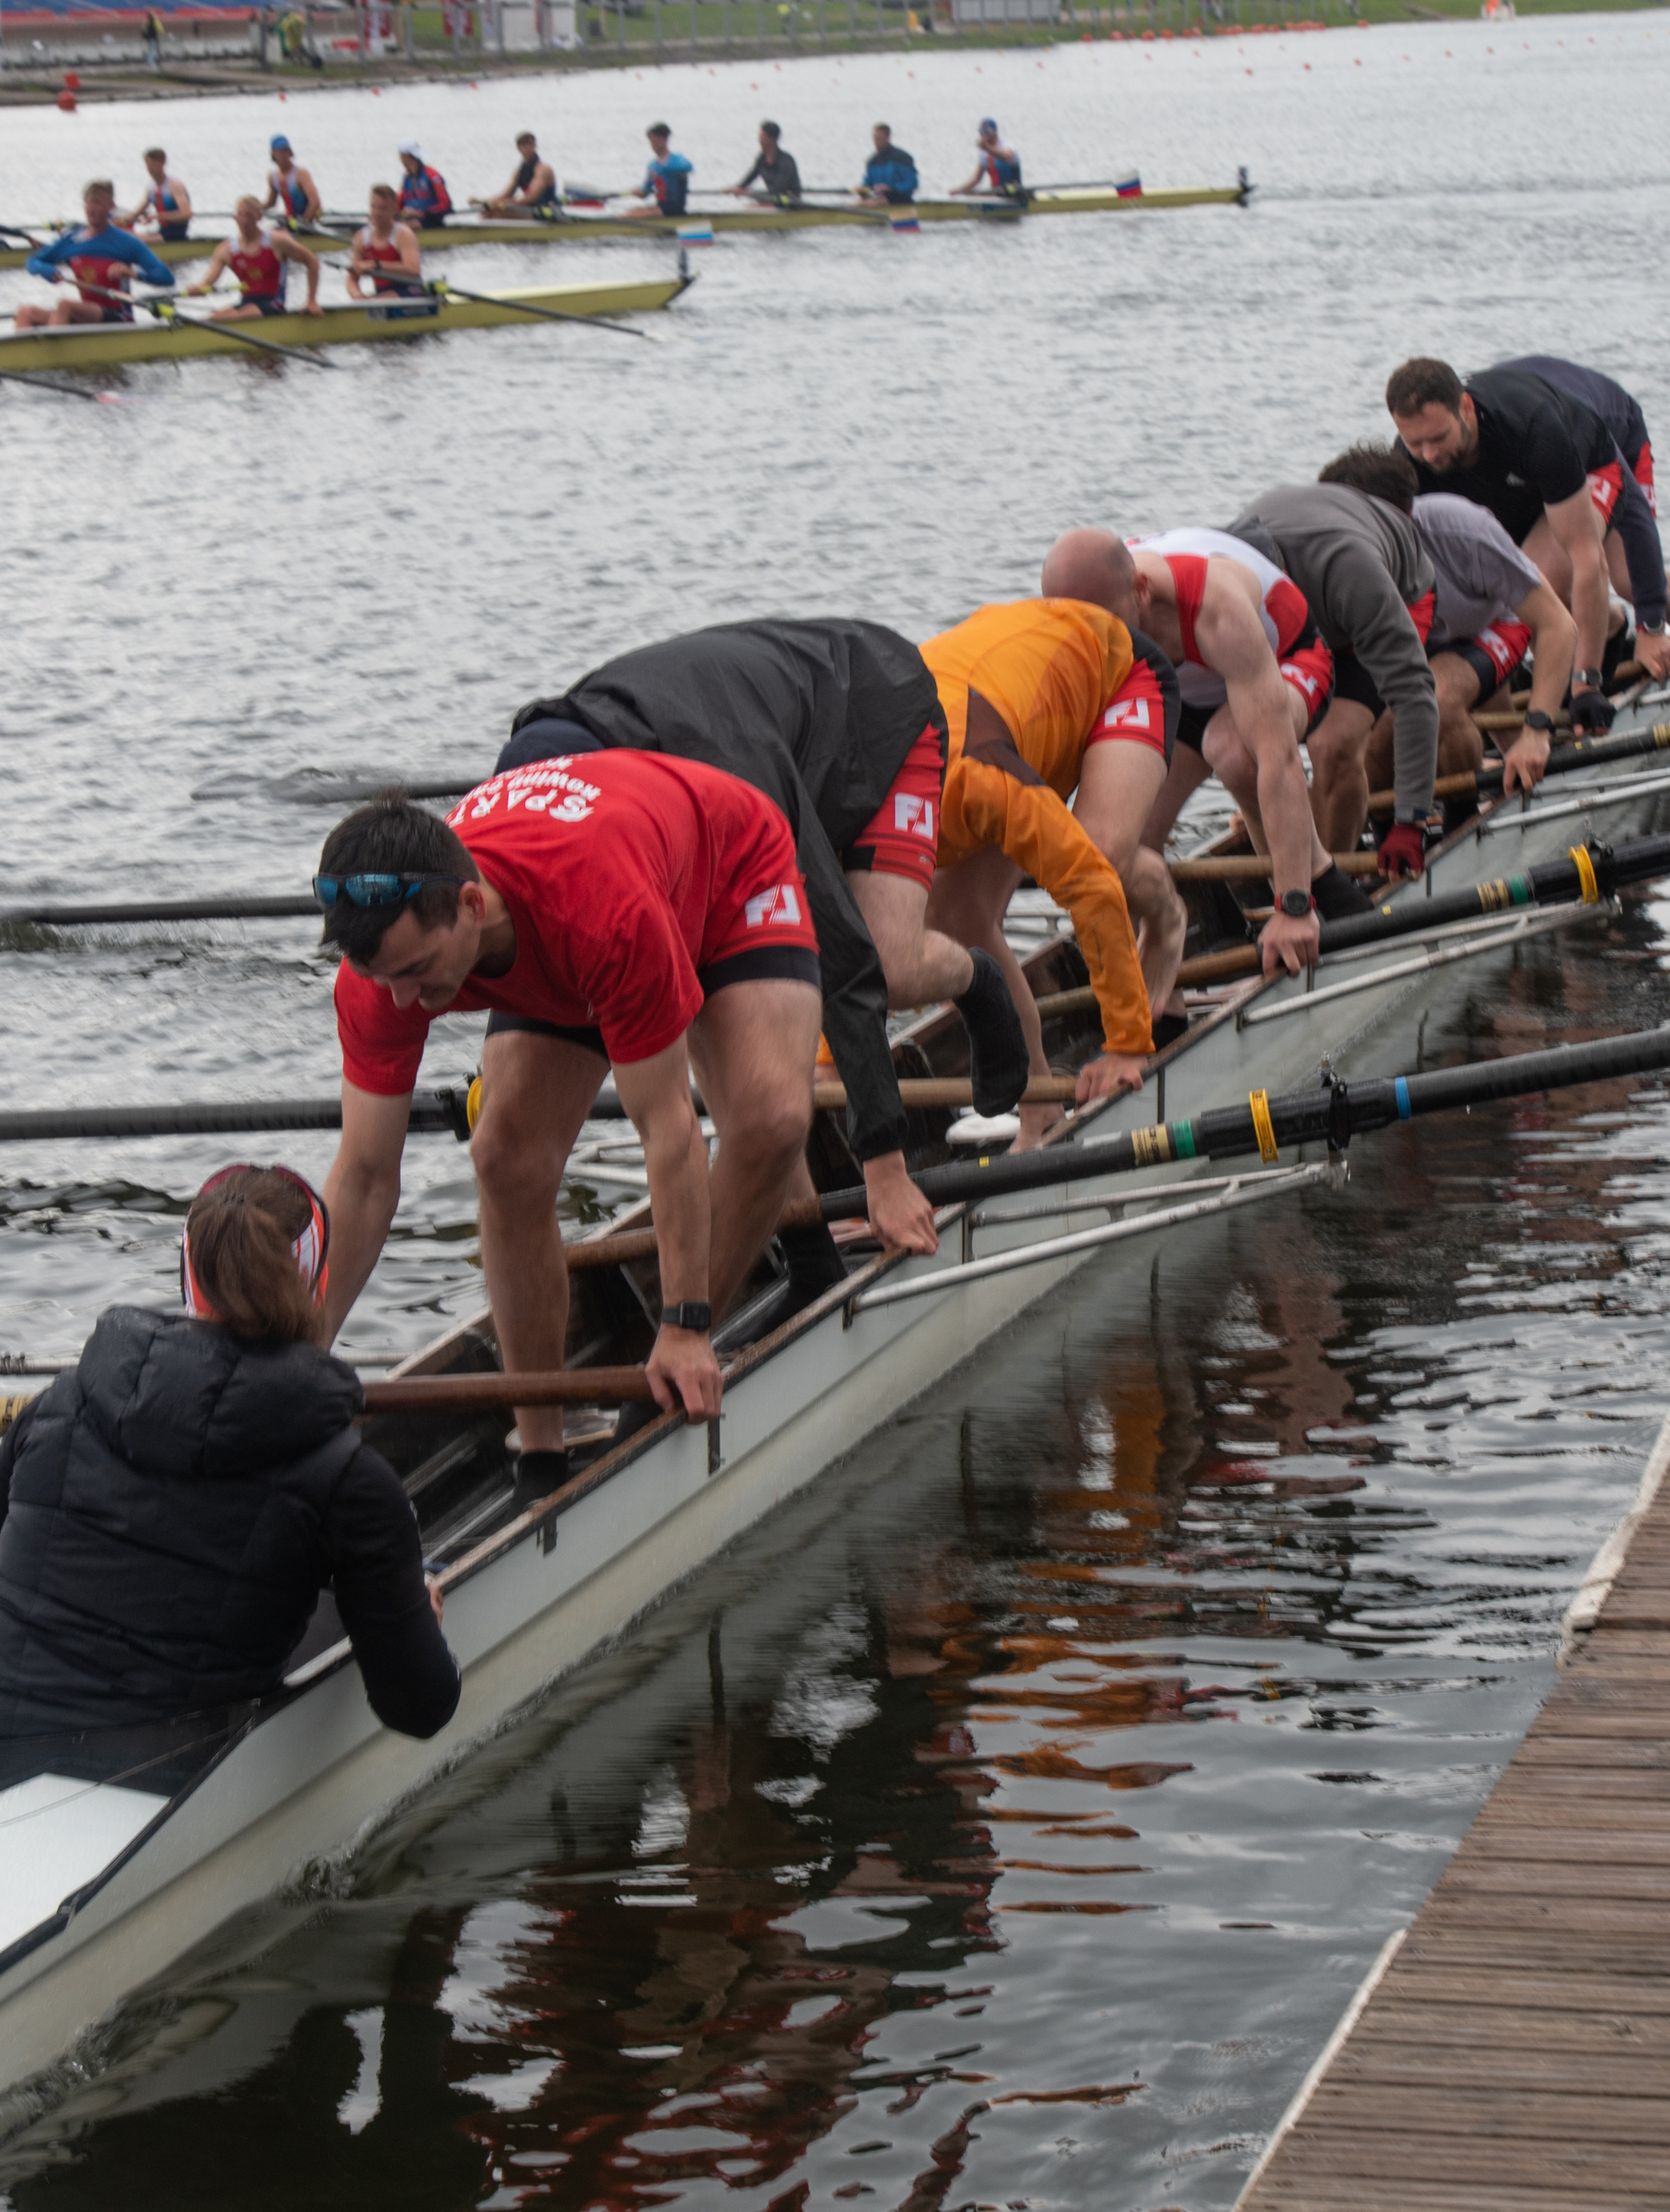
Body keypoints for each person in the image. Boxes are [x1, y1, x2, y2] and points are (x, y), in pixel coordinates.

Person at [316, 758, 828, 1468]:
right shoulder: (378, 980)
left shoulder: (600, 910)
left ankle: (677, 1359)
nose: (402, 1002)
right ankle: (542, 1445)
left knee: (771, 1123)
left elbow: (669, 1132)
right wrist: (300, 1353)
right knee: (504, 1161)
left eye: (415, 973)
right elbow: (366, 1177)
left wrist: (685, 1320)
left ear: (469, 906)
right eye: (381, 978)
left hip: (728, 870)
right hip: (581, 925)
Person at [502, 618, 1031, 1278]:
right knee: (709, 1006)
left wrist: (884, 1169)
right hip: (763, 730)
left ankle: (976, 980)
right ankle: (809, 1252)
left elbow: (840, 954)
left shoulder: (728, 772)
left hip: (881, 714)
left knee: (887, 964)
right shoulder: (530, 786)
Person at [0, 1164, 458, 1790]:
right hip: (163, 1781)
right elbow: (421, 1711)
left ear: (188, 1274)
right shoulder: (349, 1481)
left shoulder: (59, 1404)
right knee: (365, 1605)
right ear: (313, 1283)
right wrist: (412, 1613)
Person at [921, 599, 1188, 1114]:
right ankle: (1040, 1111)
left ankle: (1169, 917)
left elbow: (1088, 886)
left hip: (1115, 668)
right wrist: (826, 1056)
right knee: (955, 921)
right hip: (1007, 697)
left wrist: (1126, 1044)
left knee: (1102, 856)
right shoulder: (835, 810)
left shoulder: (979, 779)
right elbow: (844, 935)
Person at [1041, 529, 1337, 954]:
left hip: (1284, 659)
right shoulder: (1079, 617)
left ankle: (1308, 894)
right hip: (1186, 695)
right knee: (1126, 837)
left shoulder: (1214, 603)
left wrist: (1293, 907)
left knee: (1234, 751)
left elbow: (1280, 760)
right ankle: (1158, 984)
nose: (1093, 640)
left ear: (1142, 590)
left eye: (1105, 623)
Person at [1384, 356, 1670, 730]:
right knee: (1521, 585)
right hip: (1521, 481)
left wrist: (1597, 675)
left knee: (1619, 579)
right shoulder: (1413, 464)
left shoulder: (1535, 427)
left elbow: (1590, 561)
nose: (1429, 455)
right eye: (1416, 444)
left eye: (1439, 438)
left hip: (1599, 450)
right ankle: (1606, 628)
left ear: (1466, 409)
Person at [1316, 446, 1577, 802]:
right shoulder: (1329, 557)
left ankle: (1462, 816)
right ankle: (1386, 832)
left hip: (1493, 625)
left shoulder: (1463, 529)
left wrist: (1537, 732)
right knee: (1368, 731)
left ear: (1401, 519)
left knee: (1431, 702)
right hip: (1419, 646)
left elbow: (1558, 626)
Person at [1221, 479, 1444, 873]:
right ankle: (1291, 886)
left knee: (1333, 745)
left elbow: (1414, 695)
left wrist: (1411, 820)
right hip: (1309, 614)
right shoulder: (1216, 579)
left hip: (1389, 593)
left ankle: (1334, 880)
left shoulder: (1351, 572)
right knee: (1242, 748)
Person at [1500, 352, 1670, 650]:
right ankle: (1608, 628)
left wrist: (1651, 624)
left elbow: (1636, 517)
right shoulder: (1451, 448)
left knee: (1627, 579)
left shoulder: (1566, 431)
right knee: (1539, 583)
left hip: (1609, 436)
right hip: (1539, 452)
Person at [13, 181, 174, 331]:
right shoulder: (72, 240)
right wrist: (44, 269)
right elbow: (32, 261)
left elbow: (166, 277)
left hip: (118, 316)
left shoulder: (127, 242)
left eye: (97, 202)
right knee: (25, 312)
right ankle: (19, 359)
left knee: (64, 305)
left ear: (110, 206)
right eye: (88, 202)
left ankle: (49, 358)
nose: (91, 208)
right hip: (84, 314)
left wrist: (134, 274)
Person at [181, 194, 322, 319]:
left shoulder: (277, 241)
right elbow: (207, 283)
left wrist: (311, 301)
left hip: (274, 303)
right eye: (241, 215)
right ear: (235, 218)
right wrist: (196, 290)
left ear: (259, 218)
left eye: (249, 215)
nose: (244, 221)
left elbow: (312, 260)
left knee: (237, 316)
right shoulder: (226, 249)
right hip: (246, 303)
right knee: (211, 319)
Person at [345, 182, 432, 305]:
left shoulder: (404, 235)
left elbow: (414, 269)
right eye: (373, 207)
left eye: (382, 208)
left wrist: (375, 265)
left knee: (375, 302)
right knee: (368, 301)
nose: (377, 213)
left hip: (411, 291)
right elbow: (352, 278)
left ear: (394, 209)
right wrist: (357, 295)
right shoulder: (361, 238)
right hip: (383, 293)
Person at [118, 147, 193, 248]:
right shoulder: (151, 187)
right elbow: (136, 213)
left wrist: (156, 217)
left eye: (154, 163)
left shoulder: (175, 186)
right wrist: (118, 222)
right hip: (162, 233)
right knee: (122, 236)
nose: (151, 168)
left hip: (176, 236)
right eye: (148, 164)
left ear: (163, 163)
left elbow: (187, 214)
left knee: (129, 239)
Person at [482, 132, 560, 218]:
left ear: (535, 146)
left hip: (546, 212)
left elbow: (532, 197)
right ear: (518, 148)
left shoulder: (543, 169)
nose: (527, 148)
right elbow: (506, 195)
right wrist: (484, 202)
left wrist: (507, 203)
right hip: (531, 210)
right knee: (487, 211)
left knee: (500, 212)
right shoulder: (518, 171)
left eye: (530, 145)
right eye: (524, 145)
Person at [728, 120, 801, 206]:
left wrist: (749, 193)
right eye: (759, 137)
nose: (759, 141)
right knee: (749, 207)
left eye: (762, 137)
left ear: (772, 139)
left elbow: (778, 190)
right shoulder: (762, 158)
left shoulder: (786, 161)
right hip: (773, 198)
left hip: (788, 200)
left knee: (754, 208)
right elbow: (751, 175)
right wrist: (739, 187)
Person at [625, 123, 692, 218]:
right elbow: (646, 189)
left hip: (676, 209)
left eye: (656, 141)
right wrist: (639, 191)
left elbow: (689, 167)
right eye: (651, 141)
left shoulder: (678, 159)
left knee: (629, 216)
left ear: (665, 139)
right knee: (631, 212)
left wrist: (663, 168)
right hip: (661, 207)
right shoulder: (652, 165)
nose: (653, 144)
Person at [951, 117, 1026, 202]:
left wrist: (987, 148)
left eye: (986, 132)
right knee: (967, 192)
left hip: (1014, 191)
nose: (983, 135)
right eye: (981, 132)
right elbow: (976, 179)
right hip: (997, 192)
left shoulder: (1007, 146)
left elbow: (1007, 156)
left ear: (995, 132)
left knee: (1001, 191)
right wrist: (959, 190)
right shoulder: (983, 153)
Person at [266, 134, 323, 231]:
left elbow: (315, 202)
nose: (284, 154)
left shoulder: (301, 174)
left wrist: (304, 223)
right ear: (273, 153)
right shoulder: (273, 176)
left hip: (310, 221)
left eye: (286, 150)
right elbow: (271, 203)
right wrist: (254, 207)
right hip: (291, 221)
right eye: (280, 151)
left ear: (290, 152)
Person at [857, 125, 919, 206]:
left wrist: (891, 188)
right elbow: (868, 185)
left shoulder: (902, 158)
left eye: (880, 138)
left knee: (872, 202)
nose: (876, 142)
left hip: (900, 199)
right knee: (861, 203)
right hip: (878, 199)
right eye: (875, 138)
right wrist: (862, 190)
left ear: (888, 138)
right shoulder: (872, 162)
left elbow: (912, 183)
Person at [396, 144, 452, 226]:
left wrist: (421, 213)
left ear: (408, 157)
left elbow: (445, 205)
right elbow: (399, 205)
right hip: (411, 220)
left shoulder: (432, 175)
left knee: (401, 226)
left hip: (432, 220)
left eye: (401, 157)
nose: (400, 160)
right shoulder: (406, 178)